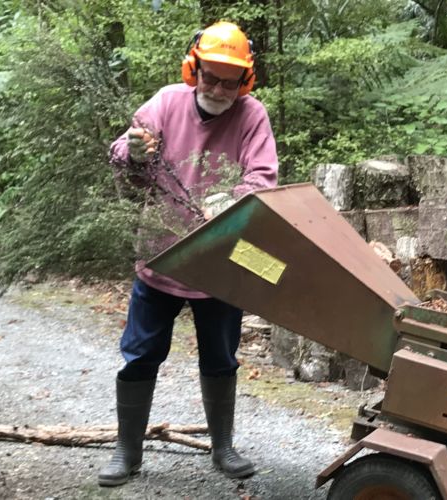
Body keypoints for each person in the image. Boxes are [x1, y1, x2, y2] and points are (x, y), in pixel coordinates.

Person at [99, 20, 278, 486]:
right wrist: (135, 152)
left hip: (221, 261)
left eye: (230, 80)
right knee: (140, 355)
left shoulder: (252, 115)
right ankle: (127, 452)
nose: (219, 88)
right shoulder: (165, 102)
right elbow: (123, 152)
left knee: (220, 358)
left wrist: (228, 201)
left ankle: (222, 446)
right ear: (192, 69)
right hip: (161, 256)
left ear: (246, 80)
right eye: (210, 76)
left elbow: (263, 177)